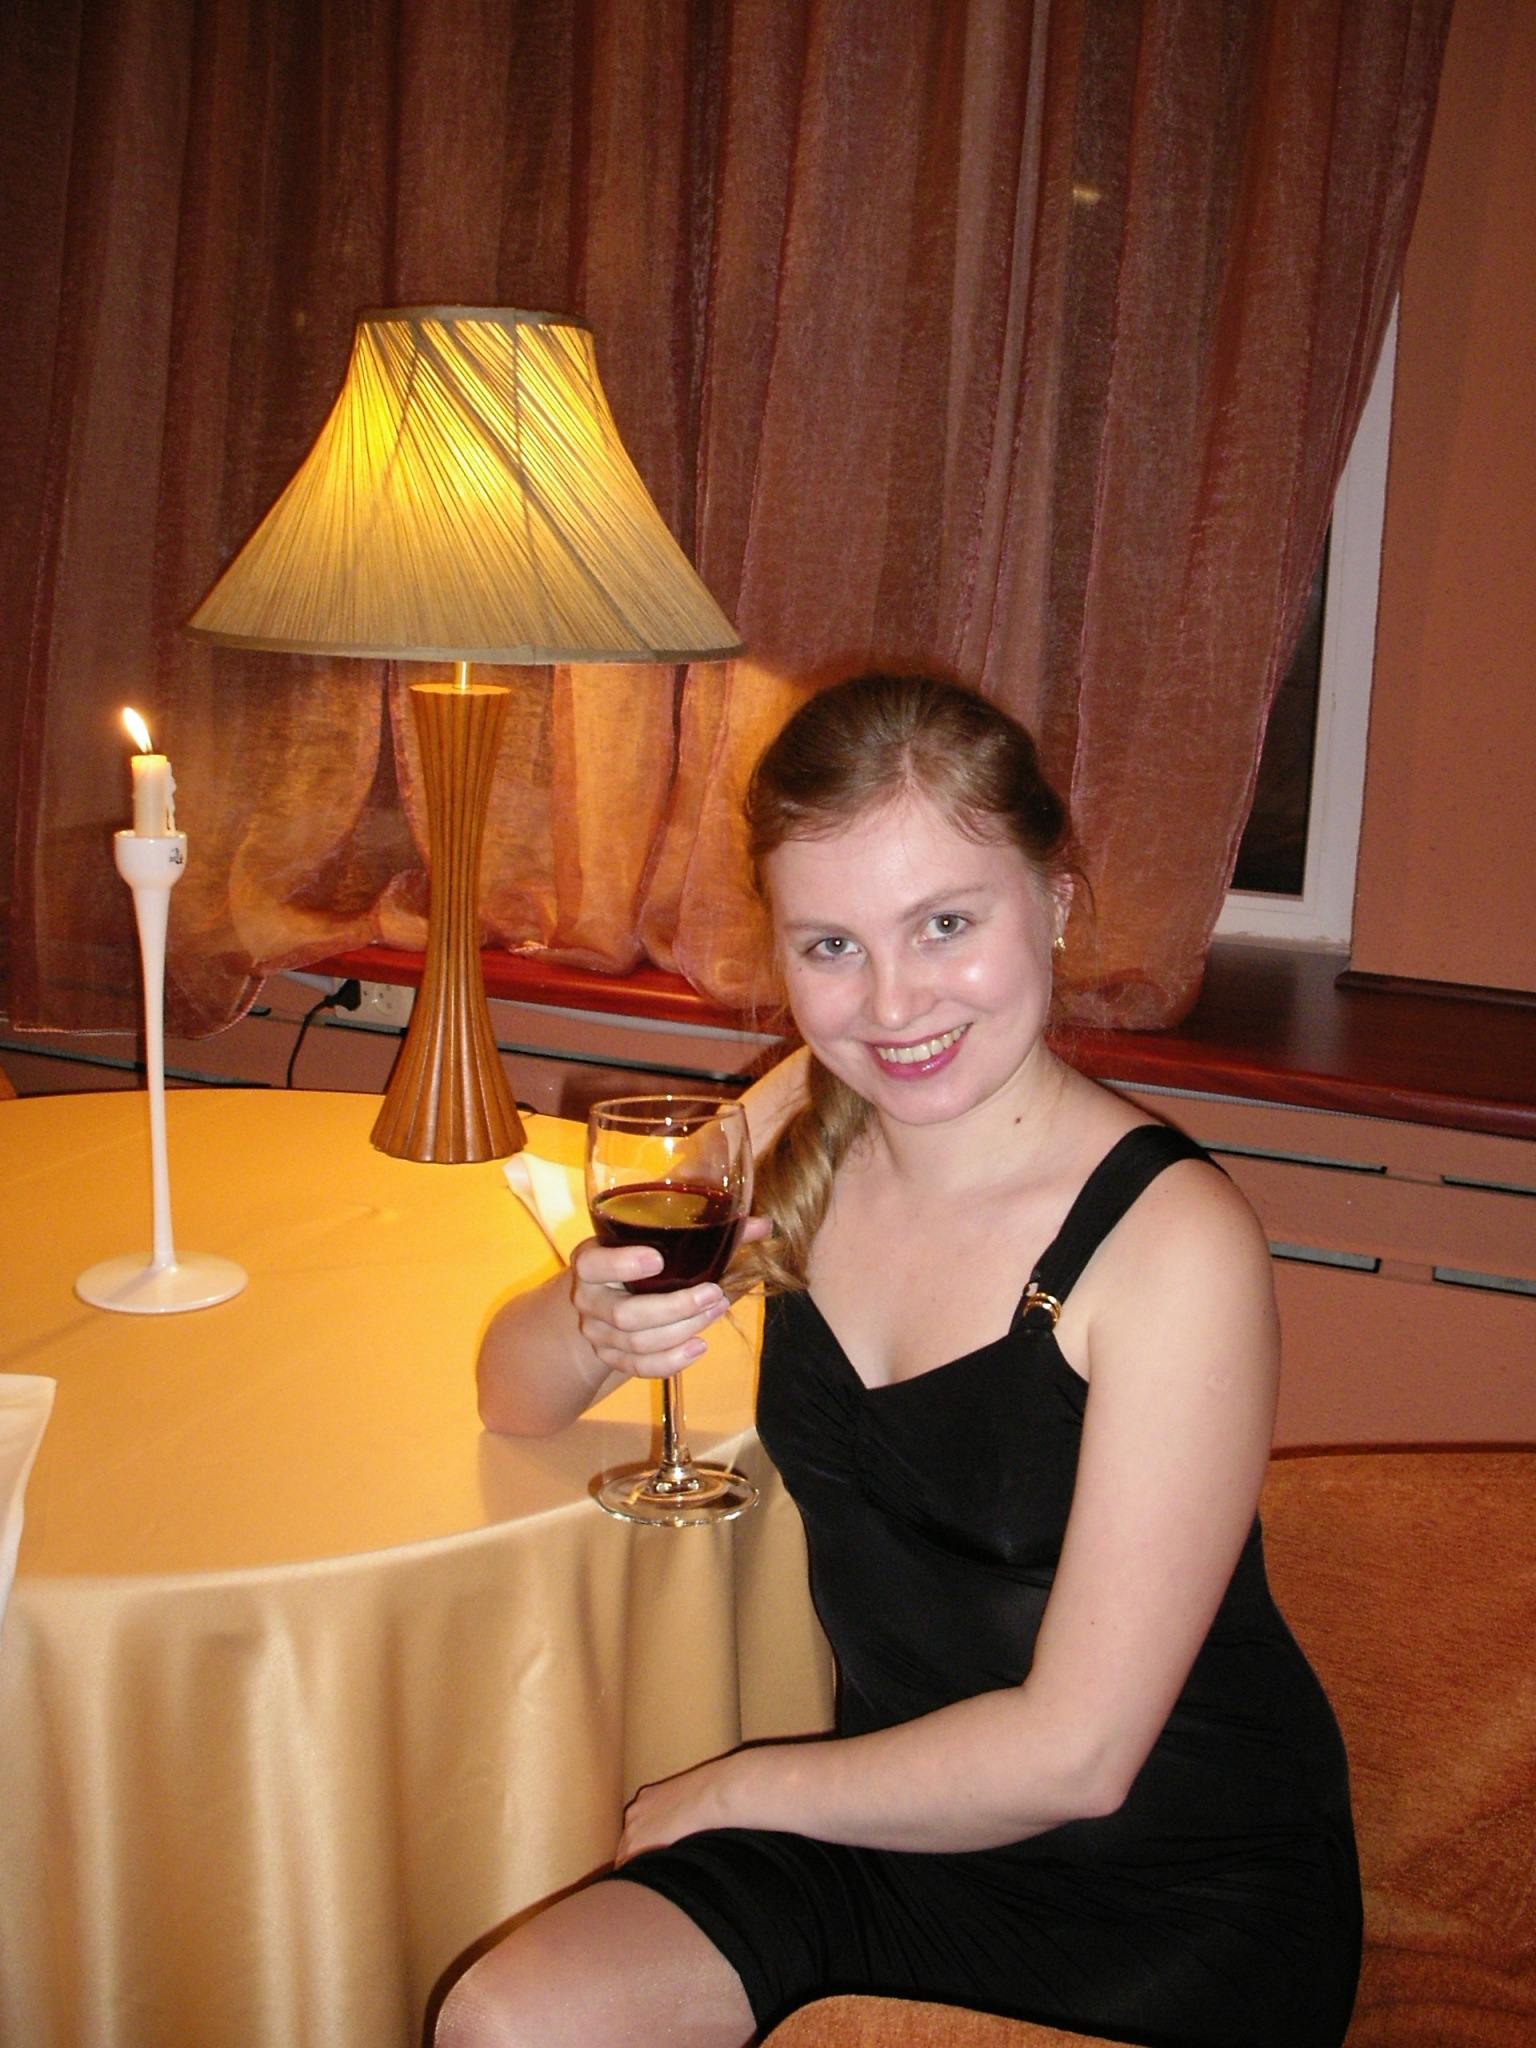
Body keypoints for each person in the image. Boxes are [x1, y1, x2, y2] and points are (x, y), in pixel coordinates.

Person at [440, 674, 1362, 2048]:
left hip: (1174, 1895)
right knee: (507, 2019)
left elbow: (1079, 1756)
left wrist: (731, 1789)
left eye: (945, 923)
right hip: (895, 1827)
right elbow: (510, 1400)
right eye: (831, 945)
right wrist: (593, 1323)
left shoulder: (1173, 1244)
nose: (891, 1003)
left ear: (1053, 900)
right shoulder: (804, 1119)